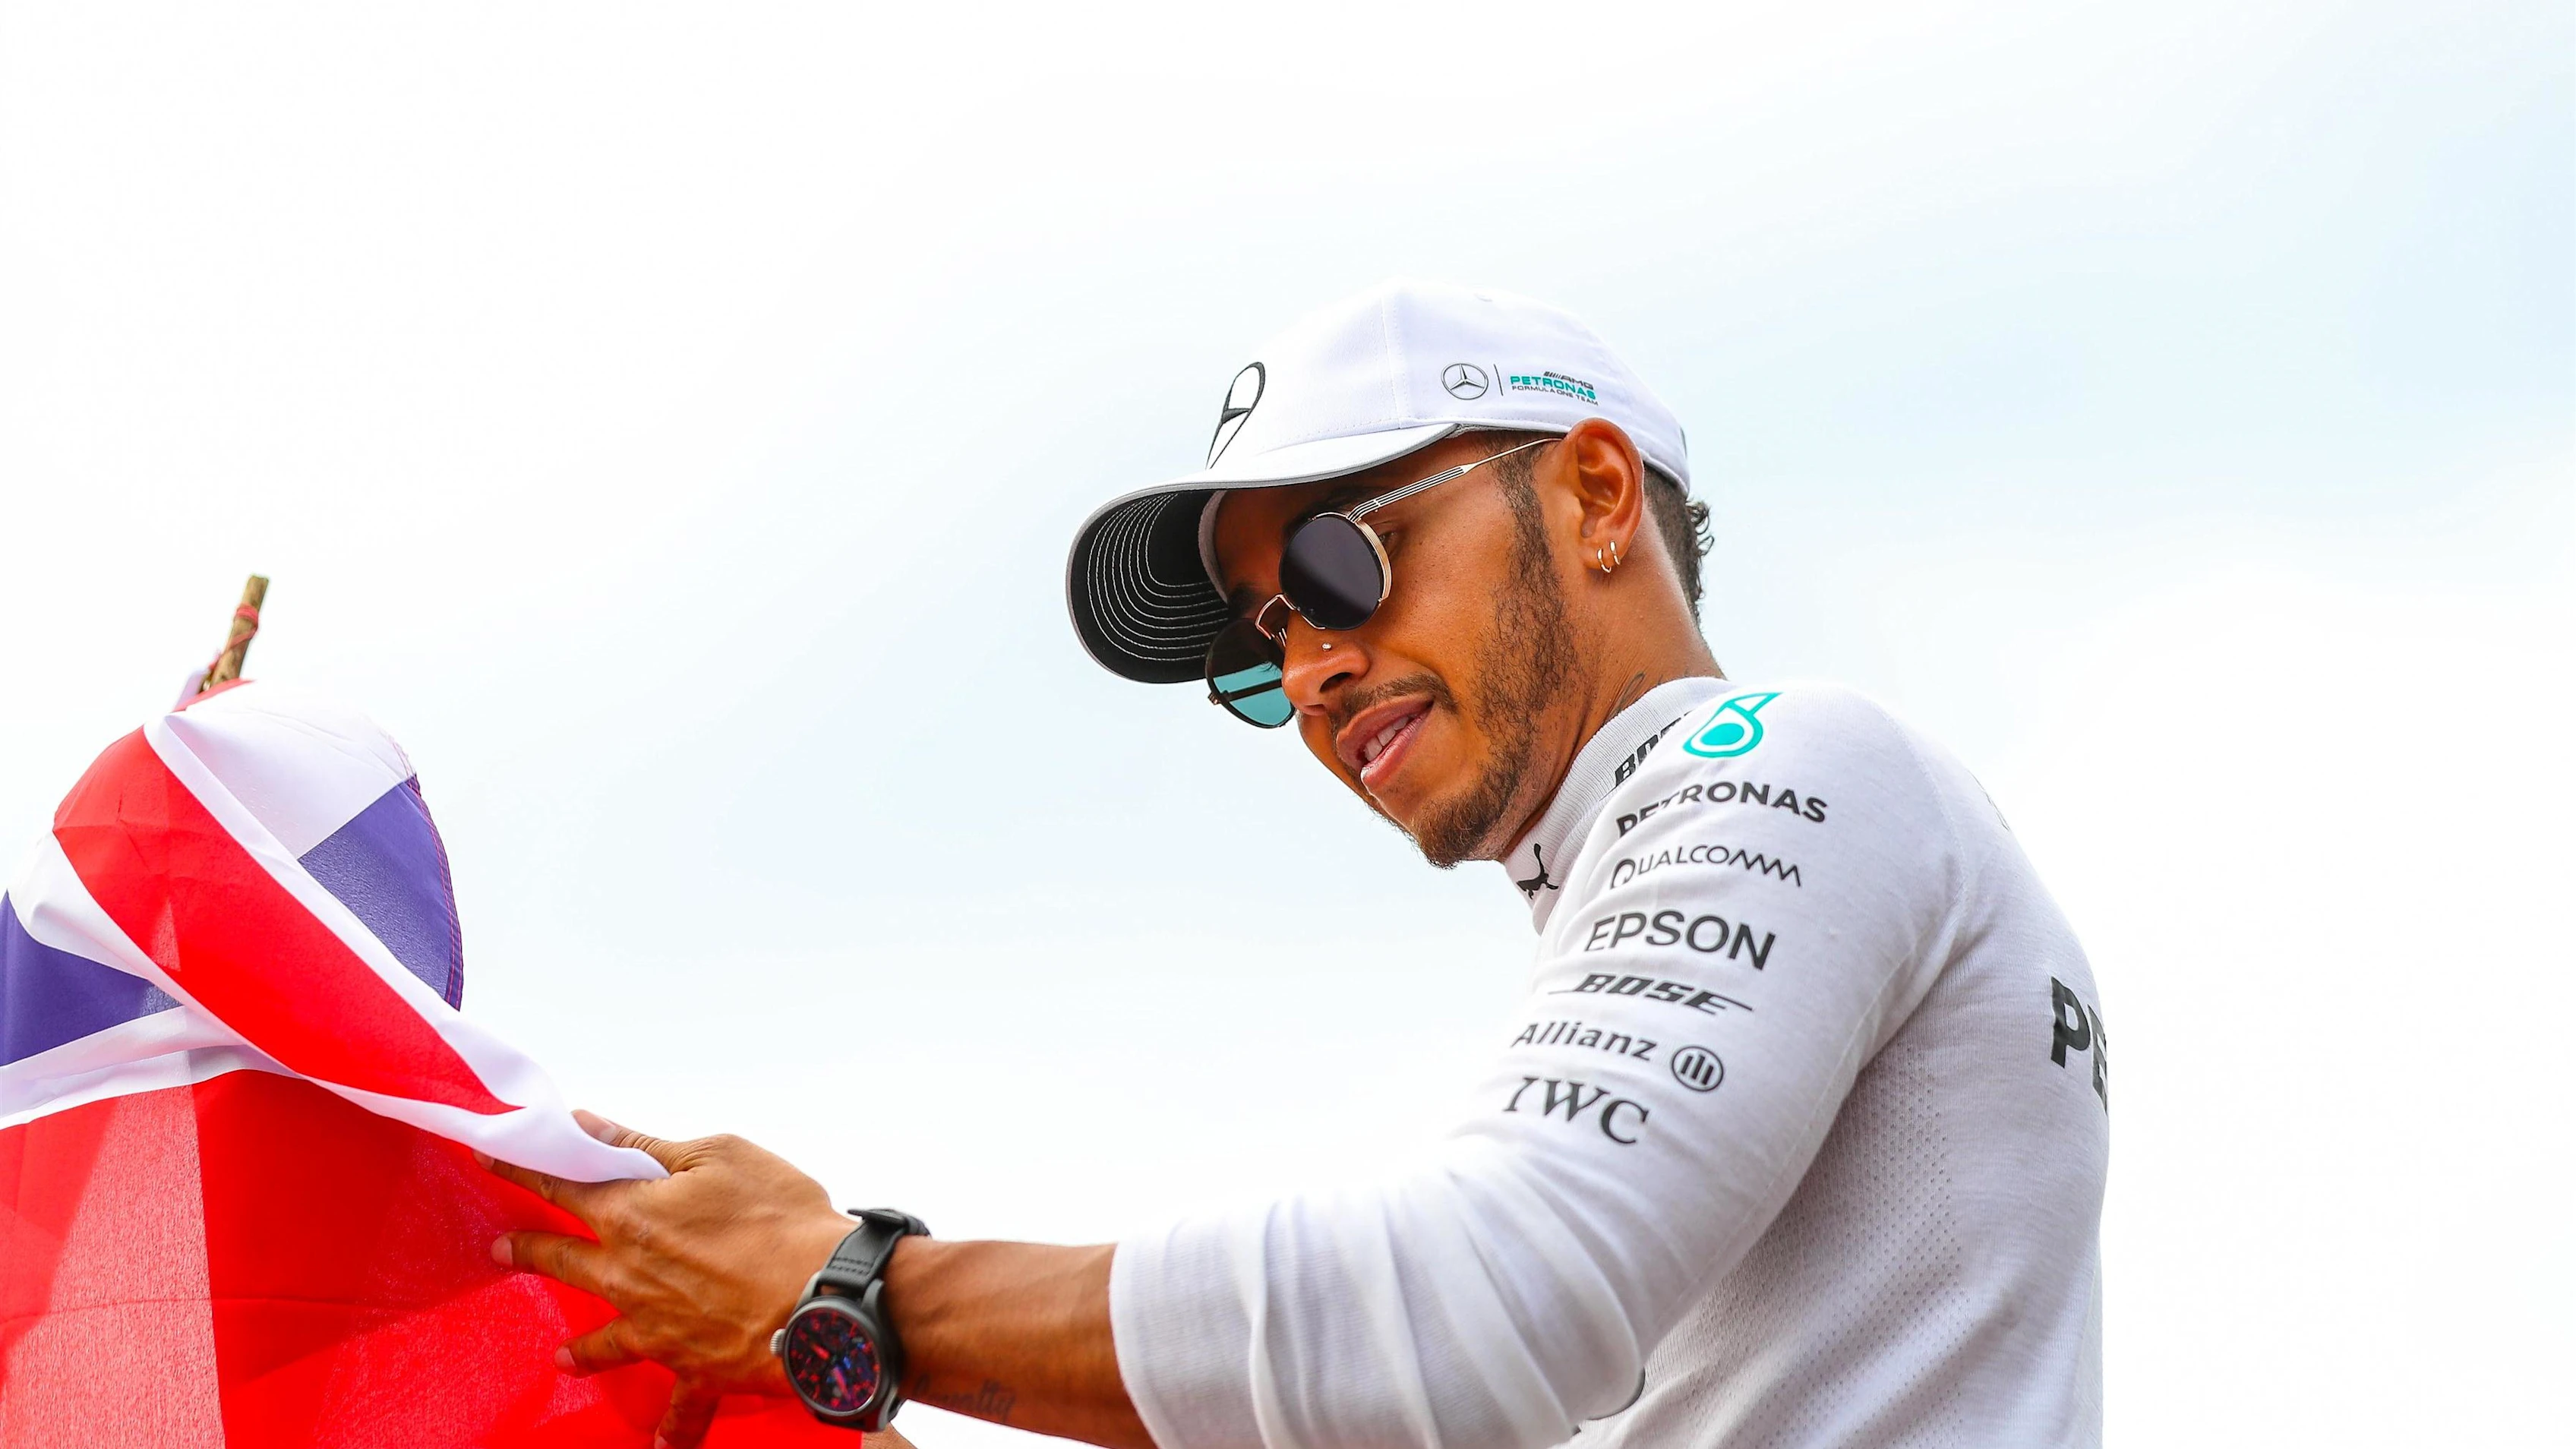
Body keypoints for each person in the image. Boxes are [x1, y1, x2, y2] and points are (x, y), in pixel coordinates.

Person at [485, 280, 2110, 1449]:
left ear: (1597, 493)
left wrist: (852, 1296)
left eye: (1346, 558)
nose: (1314, 668)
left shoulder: (1785, 760)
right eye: (1265, 638)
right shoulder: (1698, 854)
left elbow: (1479, 1314)